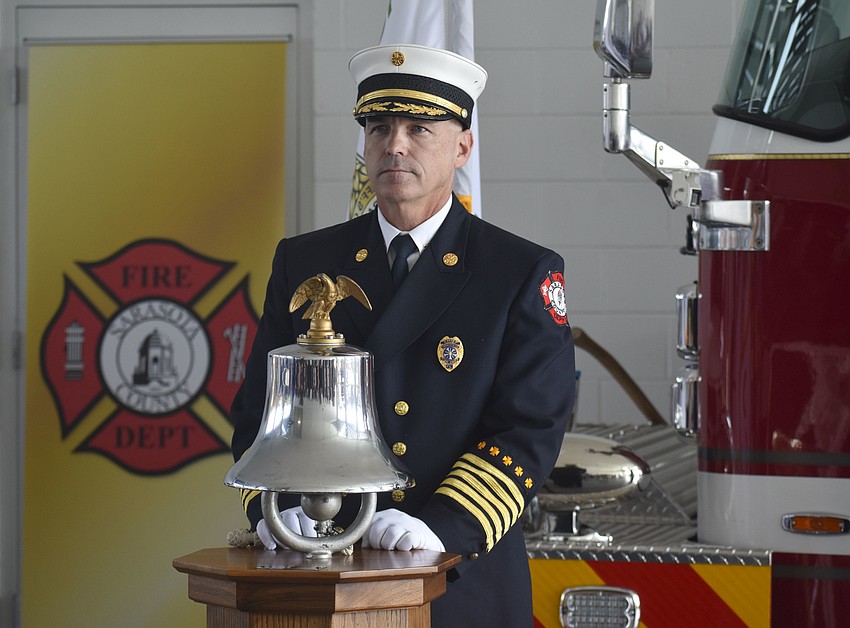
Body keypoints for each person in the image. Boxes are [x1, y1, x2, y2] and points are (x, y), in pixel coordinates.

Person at [229, 43, 576, 627]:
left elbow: (530, 428)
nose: (395, 145)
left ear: (463, 146)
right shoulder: (305, 259)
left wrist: (436, 526)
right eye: (379, 127)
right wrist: (282, 511)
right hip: (320, 568)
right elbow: (261, 411)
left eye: (420, 128)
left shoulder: (517, 270)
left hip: (457, 575)